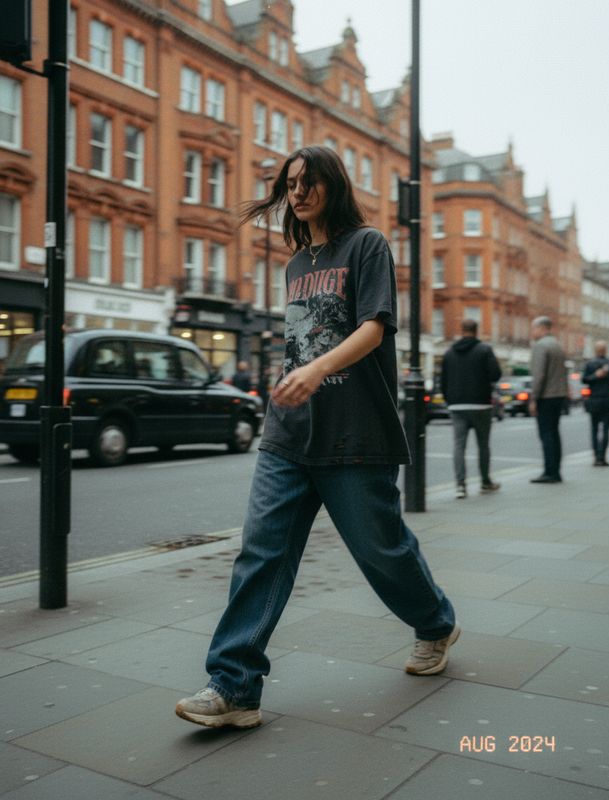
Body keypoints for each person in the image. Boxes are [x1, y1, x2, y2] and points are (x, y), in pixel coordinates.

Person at [175, 145, 459, 730]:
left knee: (382, 551)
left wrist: (316, 369)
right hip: (289, 435)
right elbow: (300, 341)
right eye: (290, 183)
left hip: (355, 433)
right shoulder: (296, 263)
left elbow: (375, 328)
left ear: (333, 185)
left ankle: (435, 622)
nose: (298, 192)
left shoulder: (367, 245)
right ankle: (234, 685)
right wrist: (296, 377)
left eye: (308, 182)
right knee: (261, 552)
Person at [440, 319, 502, 499]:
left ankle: (460, 486)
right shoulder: (484, 349)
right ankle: (485, 482)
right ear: (477, 331)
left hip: (457, 405)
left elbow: (443, 381)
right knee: (483, 445)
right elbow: (495, 375)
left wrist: (449, 400)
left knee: (459, 446)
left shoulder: (449, 352)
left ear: (462, 330)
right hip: (481, 404)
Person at [529, 316, 567, 483]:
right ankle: (556, 470)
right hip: (558, 395)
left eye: (534, 329)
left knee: (546, 434)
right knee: (554, 433)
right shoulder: (557, 345)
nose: (532, 332)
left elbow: (539, 375)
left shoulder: (540, 346)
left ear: (542, 328)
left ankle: (549, 472)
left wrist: (533, 399)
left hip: (546, 396)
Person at [582, 341, 609, 466]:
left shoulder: (590, 364)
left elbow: (585, 379)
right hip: (607, 399)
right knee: (605, 429)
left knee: (594, 429)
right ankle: (602, 457)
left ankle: (597, 457)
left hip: (595, 399)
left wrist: (595, 376)